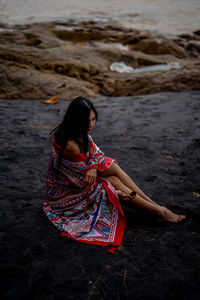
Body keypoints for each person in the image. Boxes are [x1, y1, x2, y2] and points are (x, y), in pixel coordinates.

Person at [43, 96, 185, 253]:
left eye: (93, 119)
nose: (91, 125)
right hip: (66, 195)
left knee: (113, 168)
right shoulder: (70, 144)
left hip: (82, 181)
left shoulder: (80, 133)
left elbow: (97, 154)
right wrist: (115, 192)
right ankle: (159, 211)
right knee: (113, 182)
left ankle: (156, 207)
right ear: (76, 120)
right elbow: (79, 182)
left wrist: (93, 166)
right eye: (87, 121)